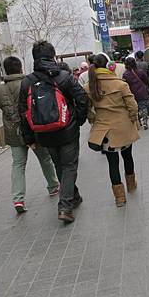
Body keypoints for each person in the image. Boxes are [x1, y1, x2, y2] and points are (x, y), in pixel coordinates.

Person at [18, 41, 88, 224]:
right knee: (69, 166)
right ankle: (65, 206)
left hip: (44, 133)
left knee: (59, 165)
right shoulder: (64, 77)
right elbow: (82, 98)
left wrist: (29, 137)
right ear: (53, 55)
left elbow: (23, 112)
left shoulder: (27, 82)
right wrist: (78, 120)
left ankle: (74, 196)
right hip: (67, 129)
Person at [0, 56, 60, 214]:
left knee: (18, 164)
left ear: (5, 70)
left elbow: (0, 105)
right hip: (33, 129)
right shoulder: (29, 83)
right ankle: (53, 186)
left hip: (13, 131)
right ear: (20, 68)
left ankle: (18, 199)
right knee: (45, 158)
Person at [85, 53, 139, 207]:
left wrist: (94, 121)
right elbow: (132, 105)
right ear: (108, 66)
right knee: (127, 156)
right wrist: (132, 120)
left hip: (105, 130)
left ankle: (119, 198)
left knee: (112, 163)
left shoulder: (89, 87)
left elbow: (88, 110)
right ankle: (131, 185)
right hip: (123, 127)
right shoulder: (120, 84)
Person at [123, 56, 149, 130]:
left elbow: (125, 85)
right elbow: (147, 81)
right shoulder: (140, 72)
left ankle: (139, 121)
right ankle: (145, 121)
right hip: (142, 92)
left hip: (132, 93)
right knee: (143, 107)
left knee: (136, 108)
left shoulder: (125, 74)